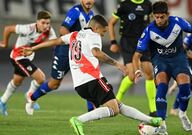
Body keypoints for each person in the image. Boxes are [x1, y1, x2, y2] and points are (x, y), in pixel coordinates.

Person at [21, 15, 164, 135]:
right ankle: (78, 120)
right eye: (103, 31)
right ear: (96, 28)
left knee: (117, 105)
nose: (103, 34)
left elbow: (56, 41)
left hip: (80, 85)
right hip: (93, 79)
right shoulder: (93, 35)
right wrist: (119, 65)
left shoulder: (75, 35)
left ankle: (152, 120)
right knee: (114, 110)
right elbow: (97, 53)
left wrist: (32, 49)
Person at [132, 1, 192, 133]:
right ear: (153, 16)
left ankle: (182, 113)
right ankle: (162, 125)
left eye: (162, 17)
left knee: (185, 88)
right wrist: (137, 69)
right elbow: (136, 56)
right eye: (156, 17)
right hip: (160, 61)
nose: (159, 20)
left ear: (168, 15)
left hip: (179, 60)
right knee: (161, 87)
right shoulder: (148, 31)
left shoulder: (177, 22)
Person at [25, 0, 95, 115]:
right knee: (54, 84)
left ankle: (92, 112)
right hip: (64, 51)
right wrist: (74, 41)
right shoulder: (75, 12)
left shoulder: (91, 14)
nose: (88, 1)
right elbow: (62, 29)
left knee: (87, 78)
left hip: (78, 52)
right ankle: (32, 98)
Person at [0, 11, 56, 116]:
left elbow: (54, 43)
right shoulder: (28, 29)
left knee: (17, 82)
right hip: (18, 57)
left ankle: (2, 101)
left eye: (48, 23)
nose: (46, 26)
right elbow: (8, 29)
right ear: (37, 22)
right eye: (43, 23)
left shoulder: (49, 30)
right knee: (41, 78)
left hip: (27, 58)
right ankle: (29, 95)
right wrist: (5, 43)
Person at [108, 0, 157, 116]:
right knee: (131, 75)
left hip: (143, 41)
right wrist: (113, 42)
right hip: (128, 42)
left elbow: (154, 21)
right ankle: (116, 100)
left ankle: (153, 109)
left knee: (149, 73)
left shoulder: (148, 5)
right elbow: (111, 23)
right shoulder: (124, 5)